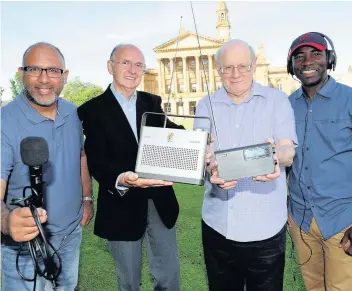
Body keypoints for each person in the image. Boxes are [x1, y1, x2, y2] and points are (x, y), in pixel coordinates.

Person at [77, 43, 187, 291]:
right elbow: (97, 160)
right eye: (126, 63)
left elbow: (170, 134)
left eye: (139, 65)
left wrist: (198, 141)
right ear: (110, 66)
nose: (133, 70)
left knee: (169, 278)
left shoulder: (151, 101)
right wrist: (122, 179)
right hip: (120, 204)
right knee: (128, 282)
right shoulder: (92, 110)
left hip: (160, 201)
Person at [194, 39, 297, 291]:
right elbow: (201, 157)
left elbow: (287, 150)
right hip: (218, 227)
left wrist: (275, 158)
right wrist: (208, 168)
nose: (235, 74)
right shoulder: (205, 104)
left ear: (253, 66)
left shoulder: (277, 100)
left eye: (242, 66)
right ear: (218, 69)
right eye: (227, 67)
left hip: (266, 230)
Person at [1, 42, 93, 291]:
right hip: (24, 245)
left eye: (53, 70)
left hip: (71, 235)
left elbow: (81, 156)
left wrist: (87, 198)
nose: (44, 79)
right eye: (34, 69)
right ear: (21, 73)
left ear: (65, 76)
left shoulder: (74, 113)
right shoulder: (4, 122)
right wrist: (6, 220)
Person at [287, 32, 352, 290]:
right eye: (299, 56)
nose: (307, 61)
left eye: (316, 54)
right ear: (291, 65)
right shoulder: (286, 105)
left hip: (342, 219)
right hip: (300, 219)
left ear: (330, 59)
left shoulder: (349, 99)